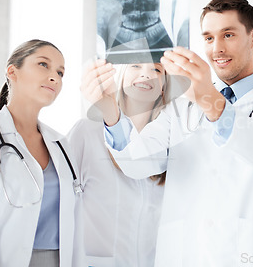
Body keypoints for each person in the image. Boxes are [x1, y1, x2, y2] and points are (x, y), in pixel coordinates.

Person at [86, 0, 253, 266]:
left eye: (228, 35)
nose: (217, 49)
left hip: (248, 255)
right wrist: (110, 112)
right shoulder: (181, 108)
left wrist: (210, 100)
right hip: (185, 254)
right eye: (208, 38)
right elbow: (138, 163)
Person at [0, 40, 84, 267]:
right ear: (12, 71)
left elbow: (75, 223)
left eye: (61, 72)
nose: (55, 77)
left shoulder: (60, 144)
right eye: (44, 64)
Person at [68, 62, 174, 266]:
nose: (146, 75)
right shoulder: (87, 131)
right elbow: (60, 202)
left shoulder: (172, 142)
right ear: (122, 77)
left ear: (163, 86)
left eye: (156, 70)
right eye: (136, 66)